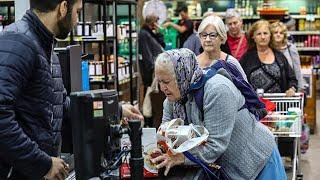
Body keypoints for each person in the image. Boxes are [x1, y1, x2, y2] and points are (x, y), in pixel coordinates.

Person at [0, 0, 143, 179]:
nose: (77, 20)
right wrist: (41, 163)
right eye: (77, 11)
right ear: (63, 7)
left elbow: (62, 103)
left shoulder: (45, 47)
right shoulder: (18, 40)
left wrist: (117, 110)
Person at [151, 48, 286, 179]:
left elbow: (215, 144)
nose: (162, 88)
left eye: (166, 82)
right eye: (160, 82)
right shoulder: (173, 98)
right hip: (229, 168)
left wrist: (180, 158)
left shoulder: (217, 90)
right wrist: (161, 149)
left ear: (182, 75)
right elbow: (166, 133)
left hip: (257, 160)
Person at [240, 20, 297, 96]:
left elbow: (292, 78)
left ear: (270, 35)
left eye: (265, 33)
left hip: (278, 104)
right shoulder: (246, 58)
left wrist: (292, 89)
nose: (263, 37)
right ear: (253, 37)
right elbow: (239, 80)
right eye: (259, 34)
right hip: (255, 105)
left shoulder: (280, 56)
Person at [196, 15, 247, 80]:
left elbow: (245, 89)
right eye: (204, 35)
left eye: (213, 35)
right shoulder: (193, 63)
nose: (207, 39)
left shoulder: (231, 63)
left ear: (222, 37)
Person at [270, 21, 304, 91]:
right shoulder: (268, 49)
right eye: (275, 33)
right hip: (273, 88)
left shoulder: (290, 48)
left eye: (281, 33)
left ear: (284, 35)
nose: (278, 35)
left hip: (290, 88)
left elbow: (297, 69)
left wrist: (300, 88)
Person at [138, 14, 165, 91]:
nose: (158, 23)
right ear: (153, 23)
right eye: (156, 21)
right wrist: (151, 66)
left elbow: (162, 44)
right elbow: (146, 51)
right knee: (149, 89)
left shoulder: (151, 33)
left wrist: (158, 32)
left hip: (155, 65)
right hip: (149, 68)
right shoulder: (144, 33)